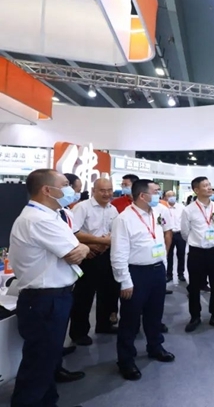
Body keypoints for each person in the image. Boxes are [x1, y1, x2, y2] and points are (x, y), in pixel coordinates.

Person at [9, 169, 90, 407]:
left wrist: (82, 247)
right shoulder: (39, 220)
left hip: (53, 297)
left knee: (47, 361)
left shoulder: (51, 215)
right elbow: (74, 253)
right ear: (47, 190)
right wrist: (83, 248)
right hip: (44, 299)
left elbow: (76, 247)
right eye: (65, 184)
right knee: (38, 364)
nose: (70, 190)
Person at [110, 179, 175, 381]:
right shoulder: (124, 219)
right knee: (130, 319)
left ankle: (155, 346)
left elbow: (159, 240)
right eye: (155, 191)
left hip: (157, 270)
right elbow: (118, 253)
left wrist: (163, 265)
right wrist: (124, 281)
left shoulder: (156, 213)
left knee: (155, 314)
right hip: (136, 273)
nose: (159, 195)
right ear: (142, 195)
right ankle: (126, 359)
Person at [69, 178, 119, 347]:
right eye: (102, 190)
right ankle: (79, 332)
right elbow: (73, 232)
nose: (107, 194)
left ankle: (104, 324)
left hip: (106, 254)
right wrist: (94, 243)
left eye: (109, 190)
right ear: (94, 191)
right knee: (84, 295)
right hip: (87, 255)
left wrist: (105, 243)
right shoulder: (82, 207)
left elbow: (116, 231)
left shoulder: (113, 209)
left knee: (109, 291)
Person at [181, 177, 214, 333]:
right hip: (197, 252)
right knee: (194, 286)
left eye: (209, 185)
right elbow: (185, 232)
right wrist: (198, 241)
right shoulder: (188, 210)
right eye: (205, 185)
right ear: (196, 190)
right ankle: (195, 316)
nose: (209, 188)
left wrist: (212, 240)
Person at [164, 190, 186, 282]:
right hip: (168, 234)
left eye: (173, 195)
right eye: (169, 196)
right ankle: (169, 274)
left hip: (180, 233)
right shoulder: (164, 208)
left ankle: (181, 274)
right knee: (169, 255)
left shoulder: (182, 207)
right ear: (165, 198)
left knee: (181, 254)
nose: (172, 197)